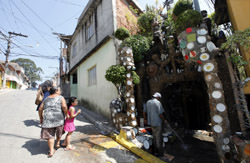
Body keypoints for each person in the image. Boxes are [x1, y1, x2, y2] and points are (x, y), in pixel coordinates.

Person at [38, 86, 69, 157]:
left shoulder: (46, 99)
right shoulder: (61, 97)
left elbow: (40, 109)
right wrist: (67, 114)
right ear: (56, 91)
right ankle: (57, 143)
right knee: (59, 132)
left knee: (50, 136)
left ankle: (51, 151)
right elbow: (64, 107)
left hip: (48, 119)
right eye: (59, 90)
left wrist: (41, 118)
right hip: (59, 119)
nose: (60, 91)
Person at [143, 92, 168, 160]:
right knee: (159, 139)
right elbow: (160, 114)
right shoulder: (157, 103)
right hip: (157, 123)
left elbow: (144, 112)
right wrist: (164, 120)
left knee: (154, 137)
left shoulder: (148, 102)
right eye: (159, 98)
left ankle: (154, 152)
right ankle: (160, 154)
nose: (159, 99)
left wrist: (145, 119)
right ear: (157, 97)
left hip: (151, 123)